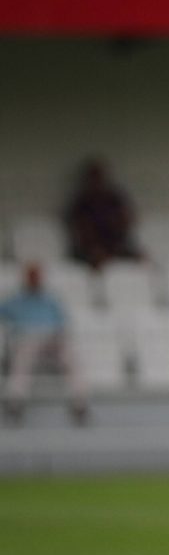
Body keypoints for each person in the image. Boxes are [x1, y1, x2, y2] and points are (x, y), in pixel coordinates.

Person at [0, 261, 88, 426]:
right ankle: (15, 400)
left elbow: (62, 323)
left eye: (37, 276)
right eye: (32, 276)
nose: (35, 279)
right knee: (23, 358)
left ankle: (79, 403)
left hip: (53, 339)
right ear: (26, 278)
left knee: (72, 358)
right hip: (28, 338)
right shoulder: (15, 300)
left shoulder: (50, 300)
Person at [63, 157, 142, 270]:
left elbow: (126, 221)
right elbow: (79, 232)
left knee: (139, 259)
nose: (97, 182)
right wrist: (95, 249)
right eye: (94, 178)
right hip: (88, 250)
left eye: (99, 177)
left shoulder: (113, 198)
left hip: (115, 246)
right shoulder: (81, 202)